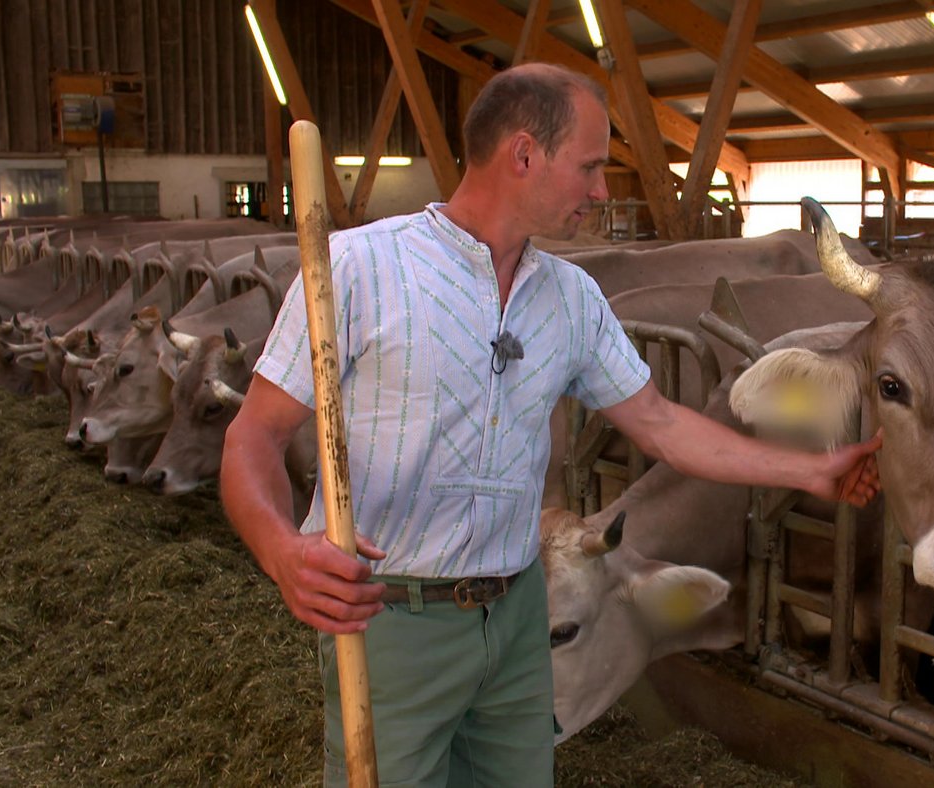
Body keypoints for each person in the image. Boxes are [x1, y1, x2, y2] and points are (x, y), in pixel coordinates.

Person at [220, 62, 882, 787]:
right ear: (524, 154)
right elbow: (253, 435)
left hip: (518, 617)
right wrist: (282, 550)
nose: (601, 192)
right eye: (591, 167)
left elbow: (660, 423)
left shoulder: (570, 295)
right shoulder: (358, 267)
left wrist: (809, 470)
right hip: (391, 619)